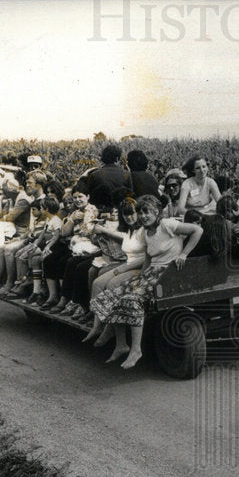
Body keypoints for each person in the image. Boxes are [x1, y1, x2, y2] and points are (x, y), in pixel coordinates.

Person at [89, 195, 203, 369]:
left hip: (167, 274)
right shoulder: (146, 232)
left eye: (146, 211)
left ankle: (136, 350)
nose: (143, 216)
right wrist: (140, 279)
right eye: (140, 212)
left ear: (156, 212)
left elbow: (197, 230)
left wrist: (184, 253)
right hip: (150, 274)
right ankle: (121, 344)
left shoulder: (167, 225)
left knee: (132, 300)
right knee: (111, 296)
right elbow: (149, 257)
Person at [82, 197, 149, 339]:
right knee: (97, 283)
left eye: (132, 213)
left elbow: (146, 257)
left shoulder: (144, 230)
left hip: (138, 267)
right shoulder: (128, 230)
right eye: (125, 214)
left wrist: (123, 268)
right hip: (127, 265)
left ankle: (109, 327)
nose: (129, 217)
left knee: (111, 284)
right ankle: (97, 325)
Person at [82, 144, 130, 211]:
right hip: (120, 213)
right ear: (117, 158)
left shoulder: (94, 175)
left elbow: (90, 197)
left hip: (99, 212)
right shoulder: (126, 174)